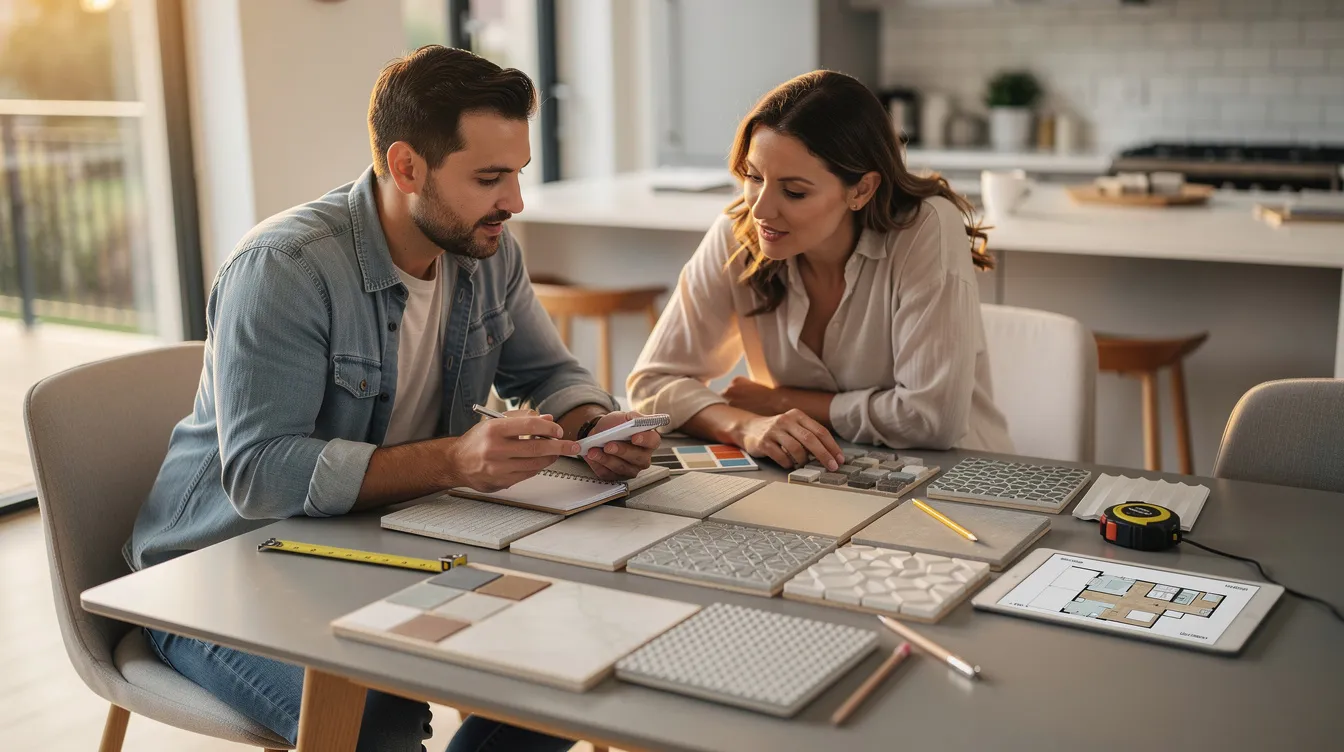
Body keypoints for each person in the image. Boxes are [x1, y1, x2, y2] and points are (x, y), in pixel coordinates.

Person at [123, 46, 658, 752]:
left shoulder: (487, 250)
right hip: (219, 575)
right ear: (407, 167)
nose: (515, 202)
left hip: (372, 544)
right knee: (375, 714)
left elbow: (549, 374)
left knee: (565, 663)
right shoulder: (285, 269)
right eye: (491, 178)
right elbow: (261, 474)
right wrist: (455, 462)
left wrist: (596, 424)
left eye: (519, 174)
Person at [627, 70, 1012, 471]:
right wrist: (744, 426)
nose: (760, 209)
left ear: (861, 189)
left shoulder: (926, 227)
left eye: (794, 191)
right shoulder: (740, 232)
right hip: (810, 471)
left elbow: (932, 421)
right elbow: (652, 384)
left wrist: (780, 400)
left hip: (959, 476)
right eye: (754, 177)